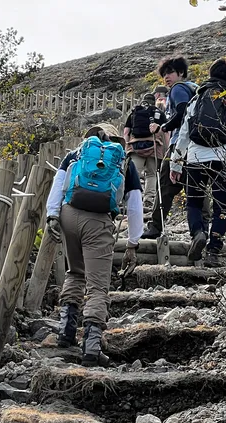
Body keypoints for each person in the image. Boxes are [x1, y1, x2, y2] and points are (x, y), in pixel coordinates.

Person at [45, 123, 144, 367]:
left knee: (75, 272)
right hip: (98, 222)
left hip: (68, 215)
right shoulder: (123, 162)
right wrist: (133, 242)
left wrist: (52, 216)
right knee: (98, 287)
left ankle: (65, 333)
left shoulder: (75, 154)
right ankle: (91, 346)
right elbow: (134, 204)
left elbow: (57, 188)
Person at [168, 58, 226, 267]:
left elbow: (184, 133)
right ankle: (213, 251)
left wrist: (175, 164)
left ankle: (198, 234)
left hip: (195, 159)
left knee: (194, 202)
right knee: (222, 206)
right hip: (224, 159)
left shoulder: (197, 99)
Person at [141, 56, 198, 240]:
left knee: (165, 183)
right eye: (164, 74)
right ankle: (199, 231)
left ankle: (155, 226)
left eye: (170, 72)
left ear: (180, 73)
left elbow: (181, 112)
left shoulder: (178, 89)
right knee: (195, 189)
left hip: (180, 145)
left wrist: (164, 127)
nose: (166, 77)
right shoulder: (195, 89)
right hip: (197, 147)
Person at [122, 90, 168, 212]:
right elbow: (166, 132)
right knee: (152, 174)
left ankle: (131, 199)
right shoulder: (159, 113)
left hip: (135, 146)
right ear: (154, 102)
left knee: (135, 174)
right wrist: (166, 149)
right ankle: (149, 200)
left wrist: (127, 145)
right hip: (154, 146)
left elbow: (126, 132)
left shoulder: (133, 113)